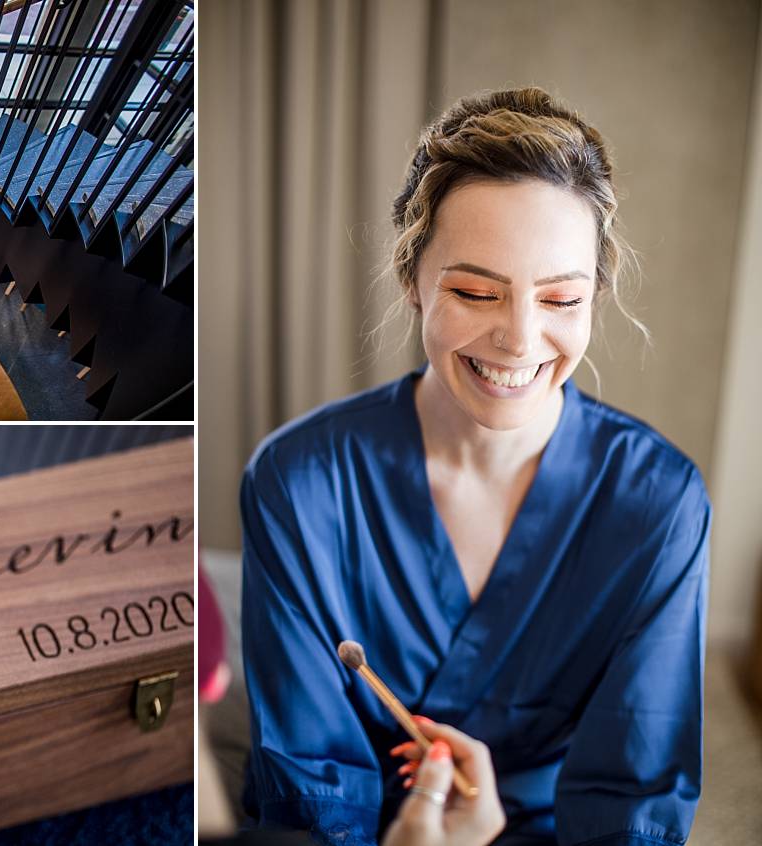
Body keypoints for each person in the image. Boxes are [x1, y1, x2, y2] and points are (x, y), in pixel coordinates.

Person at [240, 88, 709, 846]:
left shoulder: (659, 503)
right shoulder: (301, 483)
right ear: (412, 282)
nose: (520, 340)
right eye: (474, 291)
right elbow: (309, 787)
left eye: (560, 298)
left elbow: (636, 796)